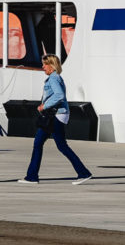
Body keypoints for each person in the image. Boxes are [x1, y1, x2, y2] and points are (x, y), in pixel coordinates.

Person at [18, 55, 92, 185]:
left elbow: (59, 95)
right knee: (38, 143)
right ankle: (32, 176)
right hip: (53, 115)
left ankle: (84, 173)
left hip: (56, 115)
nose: (43, 67)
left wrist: (44, 106)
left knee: (60, 146)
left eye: (45, 64)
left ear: (52, 66)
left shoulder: (54, 78)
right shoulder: (54, 78)